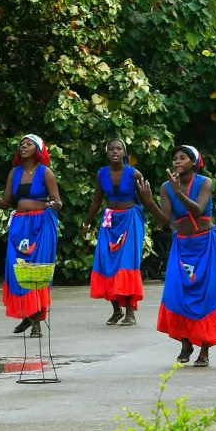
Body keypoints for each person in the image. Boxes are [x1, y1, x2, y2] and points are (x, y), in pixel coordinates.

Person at [137, 144, 216, 368]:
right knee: (176, 294)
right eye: (175, 158)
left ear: (194, 162)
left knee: (207, 296)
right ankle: (185, 343)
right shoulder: (166, 187)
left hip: (206, 244)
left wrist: (178, 191)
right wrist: (148, 201)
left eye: (182, 158)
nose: (177, 162)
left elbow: (197, 210)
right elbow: (164, 221)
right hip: (182, 245)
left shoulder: (205, 182)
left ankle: (205, 350)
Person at [0, 135, 61, 336]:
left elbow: (57, 202)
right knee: (17, 269)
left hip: (42, 224)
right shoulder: (15, 173)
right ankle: (28, 315)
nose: (23, 147)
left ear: (38, 149)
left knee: (37, 271)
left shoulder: (45, 173)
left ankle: (36, 323)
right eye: (21, 144)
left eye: (28, 144)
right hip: (20, 225)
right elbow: (5, 203)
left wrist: (53, 205)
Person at [83, 138, 145, 325]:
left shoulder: (134, 174)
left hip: (130, 220)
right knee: (106, 263)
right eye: (111, 149)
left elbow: (147, 200)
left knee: (126, 264)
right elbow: (96, 201)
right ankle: (116, 310)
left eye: (119, 149)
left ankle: (130, 313)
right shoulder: (101, 174)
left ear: (125, 153)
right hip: (110, 221)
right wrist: (86, 223)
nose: (115, 152)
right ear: (107, 153)